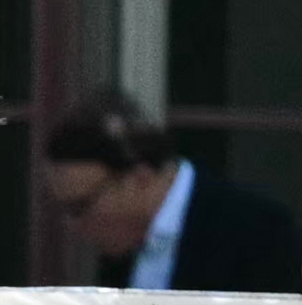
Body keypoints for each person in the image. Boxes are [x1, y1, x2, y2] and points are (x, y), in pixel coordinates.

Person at [33, 89, 302, 292]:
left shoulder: (258, 229)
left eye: (80, 207)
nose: (74, 225)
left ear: (140, 179)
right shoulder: (122, 244)